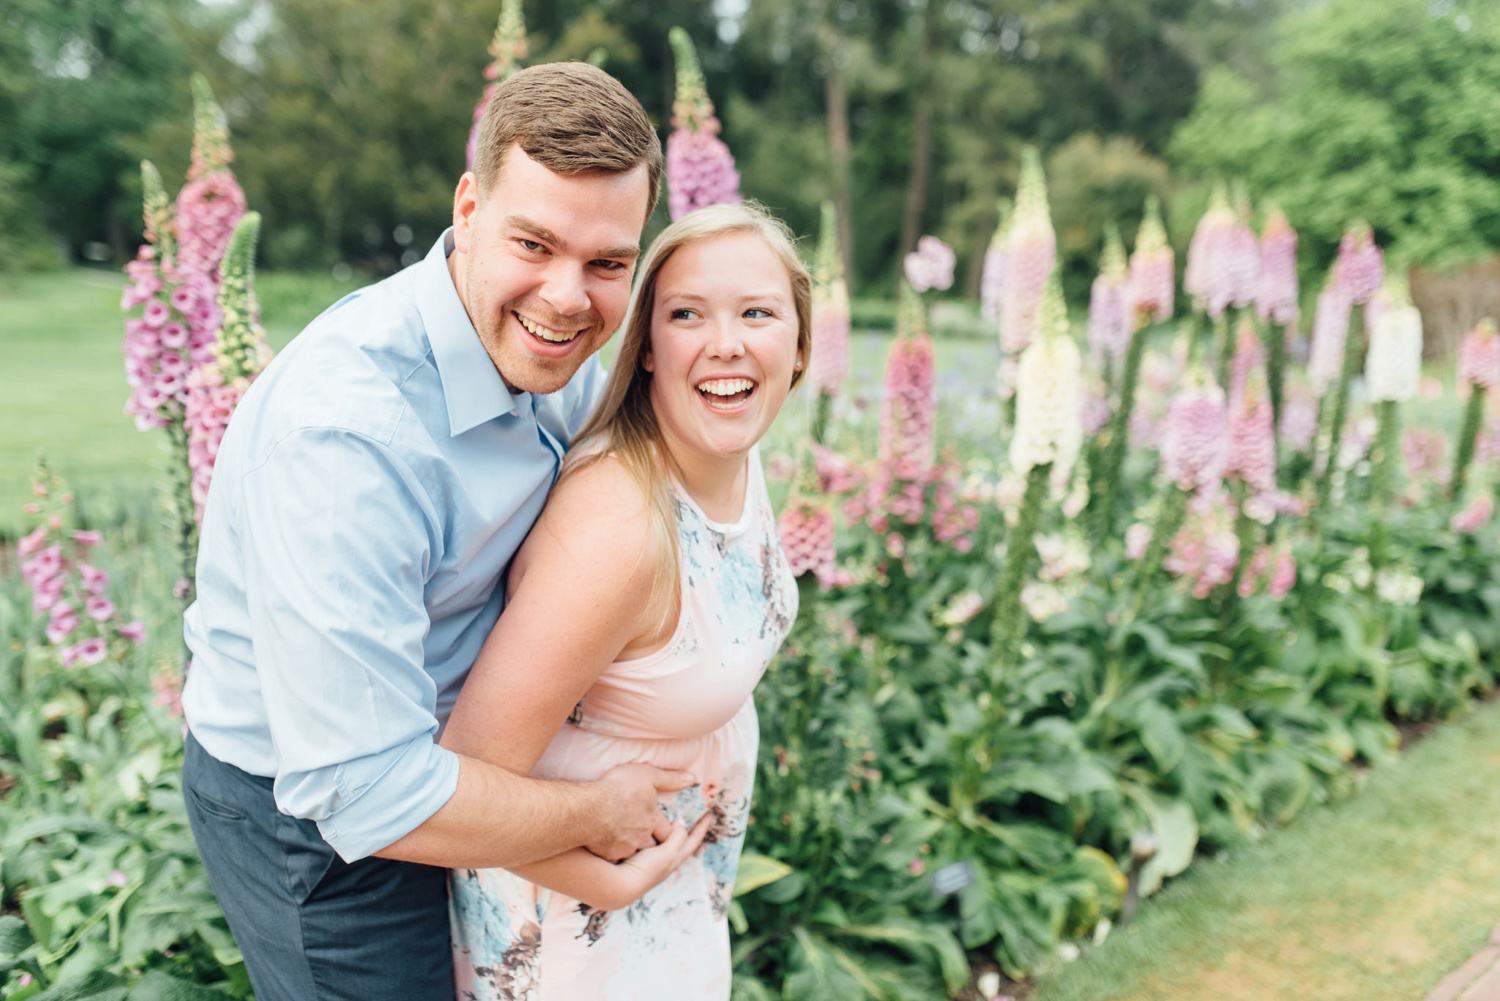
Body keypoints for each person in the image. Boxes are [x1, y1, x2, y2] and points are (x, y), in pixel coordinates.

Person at [179, 62, 692, 1001]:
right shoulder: (346, 440)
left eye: (608, 263)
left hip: (460, 766)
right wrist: (593, 810)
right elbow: (364, 791)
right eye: (533, 243)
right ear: (467, 206)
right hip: (323, 824)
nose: (568, 298)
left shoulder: (557, 349)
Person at [443, 201, 809, 1000]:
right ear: (645, 347)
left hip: (664, 903)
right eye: (687, 314)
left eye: (757, 312)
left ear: (799, 346)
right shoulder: (619, 529)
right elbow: (460, 784)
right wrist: (604, 882)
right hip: (574, 931)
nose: (727, 342)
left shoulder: (728, 448)